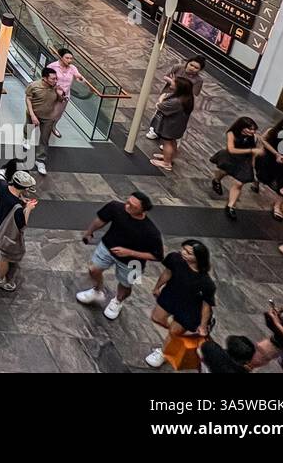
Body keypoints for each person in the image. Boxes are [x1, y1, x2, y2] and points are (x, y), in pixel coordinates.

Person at [77, 191, 163, 321]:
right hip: (108, 247)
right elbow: (101, 220)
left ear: (142, 210)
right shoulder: (115, 207)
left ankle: (118, 301)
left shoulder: (151, 231)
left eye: (133, 206)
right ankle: (97, 290)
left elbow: (158, 256)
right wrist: (89, 232)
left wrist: (129, 252)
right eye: (127, 202)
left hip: (134, 262)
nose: (127, 206)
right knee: (93, 269)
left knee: (126, 285)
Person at [144, 240, 215, 368]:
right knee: (157, 317)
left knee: (173, 332)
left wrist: (203, 326)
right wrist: (157, 287)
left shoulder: (206, 283)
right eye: (184, 249)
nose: (183, 253)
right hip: (172, 295)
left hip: (190, 309)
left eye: (189, 253)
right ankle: (178, 335)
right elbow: (167, 273)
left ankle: (163, 352)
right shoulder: (175, 259)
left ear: (198, 258)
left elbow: (206, 306)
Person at [0, 174, 37, 292]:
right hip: (7, 233)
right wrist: (28, 209)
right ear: (24, 188)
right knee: (4, 257)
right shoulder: (18, 208)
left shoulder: (2, 185)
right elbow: (22, 225)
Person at [210, 116, 260, 220]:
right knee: (224, 172)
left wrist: (253, 164)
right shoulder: (231, 133)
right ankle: (216, 180)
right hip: (231, 158)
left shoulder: (254, 137)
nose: (252, 131)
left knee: (239, 183)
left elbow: (255, 151)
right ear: (242, 127)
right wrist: (250, 151)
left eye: (253, 129)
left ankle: (230, 206)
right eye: (249, 129)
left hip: (244, 161)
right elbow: (231, 149)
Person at [149, 76, 196, 172]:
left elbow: (160, 106)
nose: (171, 82)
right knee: (172, 141)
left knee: (167, 143)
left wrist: (161, 98)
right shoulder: (186, 98)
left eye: (174, 82)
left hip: (170, 126)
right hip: (177, 126)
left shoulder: (176, 102)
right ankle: (169, 157)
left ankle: (166, 163)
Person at [24, 66, 64, 175]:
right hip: (34, 113)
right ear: (45, 78)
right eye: (53, 79)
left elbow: (60, 100)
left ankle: (40, 160)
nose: (55, 81)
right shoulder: (34, 86)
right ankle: (26, 138)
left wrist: (59, 93)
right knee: (28, 127)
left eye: (56, 78)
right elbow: (28, 99)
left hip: (48, 117)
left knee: (44, 139)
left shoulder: (55, 87)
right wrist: (32, 115)